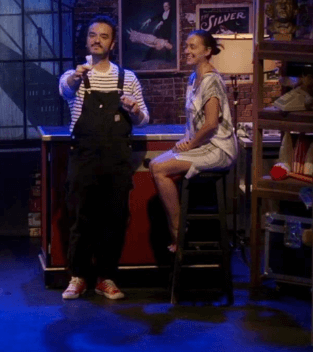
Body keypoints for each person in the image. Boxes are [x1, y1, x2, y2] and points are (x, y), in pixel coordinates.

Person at [58, 15, 149, 300]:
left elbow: (144, 119)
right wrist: (75, 77)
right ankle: (78, 277)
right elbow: (65, 89)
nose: (97, 40)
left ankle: (106, 278)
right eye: (92, 35)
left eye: (104, 36)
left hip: (116, 159)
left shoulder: (127, 78)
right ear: (87, 40)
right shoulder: (75, 75)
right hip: (83, 157)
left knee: (114, 218)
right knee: (81, 218)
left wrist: (135, 110)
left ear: (112, 43)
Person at [149, 30, 238, 253]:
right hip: (203, 144)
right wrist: (187, 140)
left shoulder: (211, 81)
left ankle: (178, 230)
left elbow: (211, 124)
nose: (186, 51)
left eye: (192, 47)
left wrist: (191, 145)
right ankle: (180, 227)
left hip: (219, 148)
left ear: (207, 51)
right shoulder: (193, 78)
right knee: (155, 164)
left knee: (159, 168)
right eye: (186, 46)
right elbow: (195, 123)